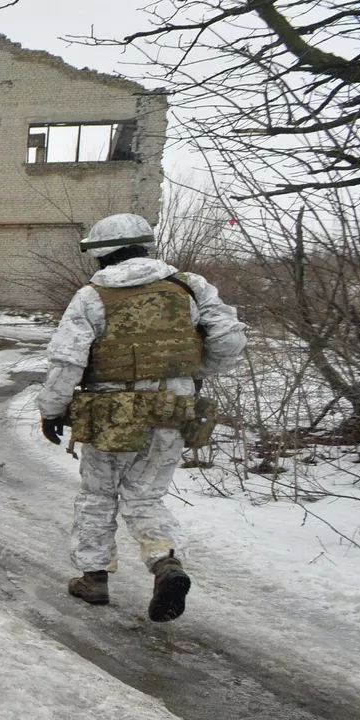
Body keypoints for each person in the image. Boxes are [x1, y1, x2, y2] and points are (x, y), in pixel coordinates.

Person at [36, 212, 246, 621]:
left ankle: (93, 579)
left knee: (99, 496)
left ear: (102, 254)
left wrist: (52, 409)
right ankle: (165, 563)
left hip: (110, 414)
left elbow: (67, 362)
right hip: (172, 409)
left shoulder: (91, 296)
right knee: (146, 494)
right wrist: (194, 373)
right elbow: (228, 338)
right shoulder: (190, 286)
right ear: (145, 246)